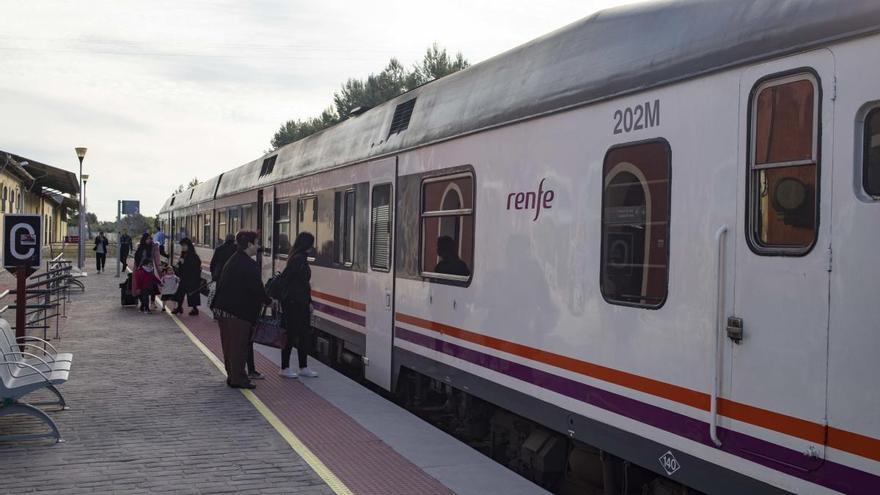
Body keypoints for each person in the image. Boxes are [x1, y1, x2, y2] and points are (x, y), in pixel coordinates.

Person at [211, 230, 269, 389]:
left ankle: (232, 376)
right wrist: (268, 301)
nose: (258, 246)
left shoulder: (234, 259)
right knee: (238, 347)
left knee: (229, 346)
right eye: (256, 243)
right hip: (238, 312)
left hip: (225, 310)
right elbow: (257, 288)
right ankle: (239, 379)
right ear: (249, 245)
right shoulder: (249, 264)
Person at [277, 232, 318, 379]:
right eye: (311, 244)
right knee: (292, 335)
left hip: (299, 302)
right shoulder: (298, 260)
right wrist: (307, 302)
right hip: (294, 304)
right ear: (306, 244)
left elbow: (303, 285)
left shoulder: (298, 258)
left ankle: (303, 366)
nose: (313, 247)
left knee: (302, 335)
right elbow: (289, 280)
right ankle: (285, 367)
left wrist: (309, 302)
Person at [173, 238, 202, 316]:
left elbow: (193, 267)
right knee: (180, 293)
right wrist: (179, 264)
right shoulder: (184, 255)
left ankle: (194, 309)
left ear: (189, 246)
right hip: (184, 278)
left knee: (191, 294)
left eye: (184, 246)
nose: (183, 247)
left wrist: (183, 263)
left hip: (192, 278)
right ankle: (179, 307)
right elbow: (181, 267)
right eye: (182, 246)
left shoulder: (194, 256)